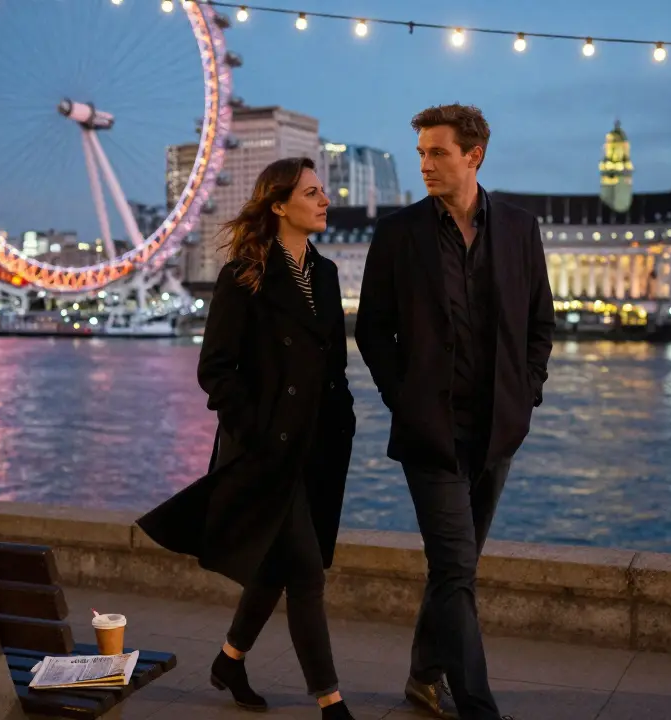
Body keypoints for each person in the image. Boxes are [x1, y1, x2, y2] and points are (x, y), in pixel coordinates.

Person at [138, 157, 358, 720]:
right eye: (312, 193)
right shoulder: (244, 275)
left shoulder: (327, 273)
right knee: (305, 570)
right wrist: (254, 431)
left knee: (275, 565)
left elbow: (332, 364)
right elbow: (215, 368)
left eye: (323, 191)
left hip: (315, 444)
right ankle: (331, 702)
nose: (325, 200)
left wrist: (343, 417)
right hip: (265, 448)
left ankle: (229, 660)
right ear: (279, 205)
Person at [355, 104, 555, 720]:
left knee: (453, 569)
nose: (424, 165)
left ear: (474, 156)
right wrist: (404, 399)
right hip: (431, 433)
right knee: (457, 569)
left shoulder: (520, 229)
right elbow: (371, 330)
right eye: (420, 153)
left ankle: (422, 678)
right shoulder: (398, 233)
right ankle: (477, 705)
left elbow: (540, 323)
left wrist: (526, 394)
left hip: (496, 430)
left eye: (437, 152)